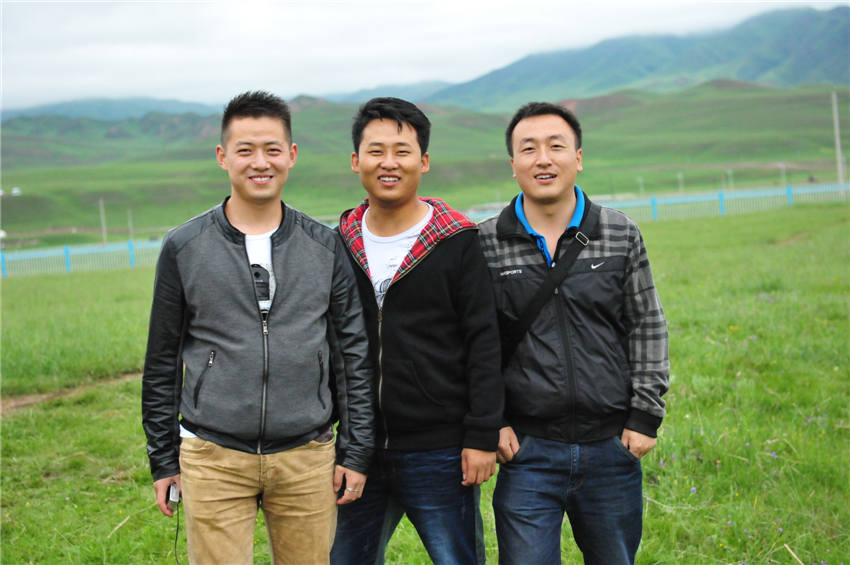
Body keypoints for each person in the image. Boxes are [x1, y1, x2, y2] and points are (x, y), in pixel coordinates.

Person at [141, 90, 374, 565]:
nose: (259, 162)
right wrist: (163, 459)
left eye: (272, 149)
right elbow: (161, 361)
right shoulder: (184, 247)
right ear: (223, 156)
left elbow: (352, 355)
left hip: (306, 455)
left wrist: (355, 451)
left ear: (292, 154)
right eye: (245, 150)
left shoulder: (324, 246)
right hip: (213, 455)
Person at [478, 102, 670, 565]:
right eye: (529, 149)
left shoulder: (619, 232)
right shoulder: (486, 242)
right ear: (513, 164)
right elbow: (476, 344)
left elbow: (646, 324)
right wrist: (492, 421)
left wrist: (645, 415)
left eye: (556, 146)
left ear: (578, 158)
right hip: (526, 450)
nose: (543, 159)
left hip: (611, 447)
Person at [330, 97, 503, 565]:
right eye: (376, 151)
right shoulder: (338, 244)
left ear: (423, 162)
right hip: (358, 448)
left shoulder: (456, 241)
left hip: (441, 450)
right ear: (356, 161)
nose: (389, 163)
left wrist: (481, 435)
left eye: (402, 151)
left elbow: (484, 343)